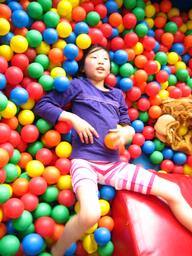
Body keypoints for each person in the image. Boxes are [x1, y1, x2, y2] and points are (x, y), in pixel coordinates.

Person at [34, 45, 192, 256]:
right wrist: (73, 119)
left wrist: (124, 135)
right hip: (85, 162)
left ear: (110, 66)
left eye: (105, 59)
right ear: (83, 66)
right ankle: (57, 250)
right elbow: (43, 104)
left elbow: (127, 126)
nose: (101, 61)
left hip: (116, 166)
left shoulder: (117, 95)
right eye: (94, 57)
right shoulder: (78, 86)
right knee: (90, 214)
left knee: (173, 191)